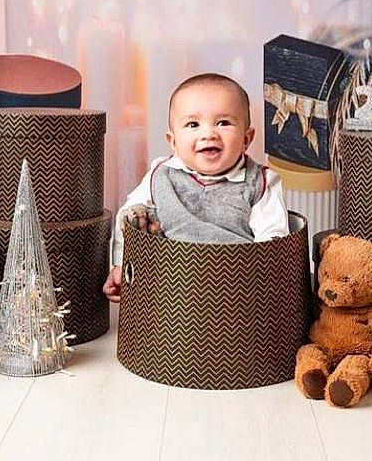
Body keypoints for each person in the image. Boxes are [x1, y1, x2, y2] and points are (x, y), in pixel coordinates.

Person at [102, 73, 290, 302]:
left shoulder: (261, 181)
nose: (208, 133)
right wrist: (121, 266)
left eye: (224, 123)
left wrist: (255, 285)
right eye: (193, 124)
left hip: (236, 286)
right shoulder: (161, 174)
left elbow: (273, 241)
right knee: (138, 215)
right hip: (169, 286)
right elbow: (127, 223)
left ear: (246, 138)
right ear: (173, 142)